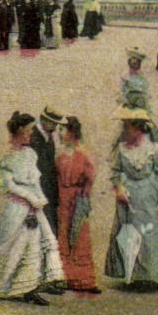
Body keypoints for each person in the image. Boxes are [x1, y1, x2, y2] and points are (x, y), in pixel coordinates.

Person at [0, 111, 64, 306]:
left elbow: (35, 181)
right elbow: (8, 185)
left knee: (33, 246)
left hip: (34, 208)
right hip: (17, 207)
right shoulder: (7, 156)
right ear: (20, 132)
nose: (31, 135)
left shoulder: (30, 154)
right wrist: (30, 198)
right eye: (29, 131)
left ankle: (28, 288)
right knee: (9, 244)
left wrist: (39, 201)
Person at [104, 114, 158, 291]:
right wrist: (120, 188)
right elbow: (115, 172)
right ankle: (131, 275)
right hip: (129, 198)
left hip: (148, 196)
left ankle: (151, 275)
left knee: (149, 234)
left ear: (138, 129)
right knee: (129, 233)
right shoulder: (123, 149)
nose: (124, 131)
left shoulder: (153, 150)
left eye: (128, 128)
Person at [55, 116, 101, 294]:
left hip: (78, 199)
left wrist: (84, 195)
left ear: (72, 132)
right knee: (63, 236)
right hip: (63, 198)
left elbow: (90, 177)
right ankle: (64, 277)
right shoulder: (60, 154)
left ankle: (83, 280)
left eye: (63, 131)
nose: (60, 135)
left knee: (80, 236)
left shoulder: (84, 153)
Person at [28, 108, 65, 244]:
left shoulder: (49, 138)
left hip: (49, 191)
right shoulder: (32, 136)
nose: (55, 127)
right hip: (37, 190)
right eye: (53, 123)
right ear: (44, 120)